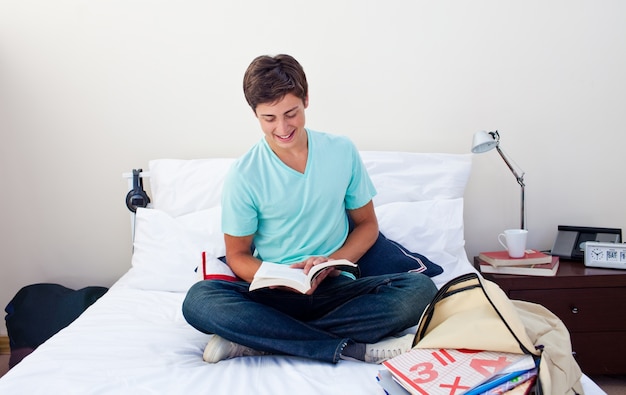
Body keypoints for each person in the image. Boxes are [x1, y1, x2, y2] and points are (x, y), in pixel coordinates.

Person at [182, 54, 437, 364]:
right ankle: (353, 347)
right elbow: (237, 255)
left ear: (306, 99)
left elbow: (368, 225)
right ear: (255, 114)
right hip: (273, 297)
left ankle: (260, 340)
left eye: (291, 113)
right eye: (269, 118)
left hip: (336, 289)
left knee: (420, 289)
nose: (283, 127)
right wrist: (274, 276)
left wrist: (333, 261)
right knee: (198, 302)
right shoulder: (244, 173)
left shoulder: (341, 151)